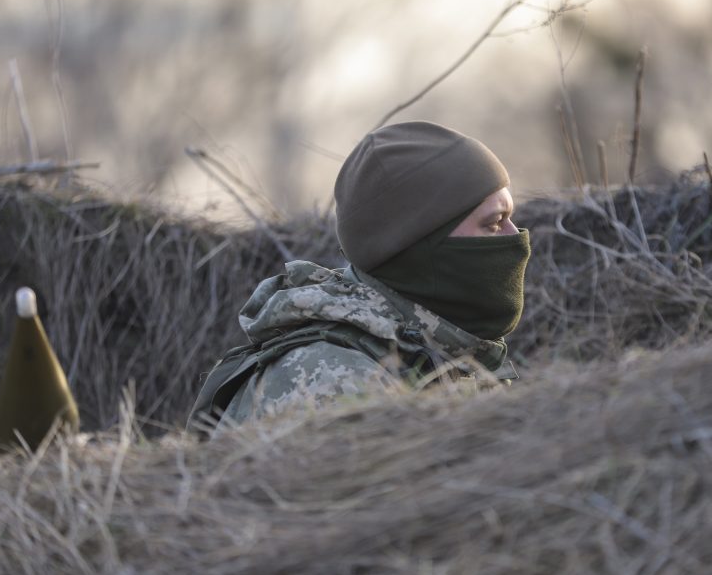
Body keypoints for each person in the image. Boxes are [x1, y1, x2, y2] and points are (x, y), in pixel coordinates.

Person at [188, 121, 530, 430]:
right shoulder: (330, 382)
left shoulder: (443, 355)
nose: (515, 236)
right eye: (494, 222)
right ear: (421, 245)